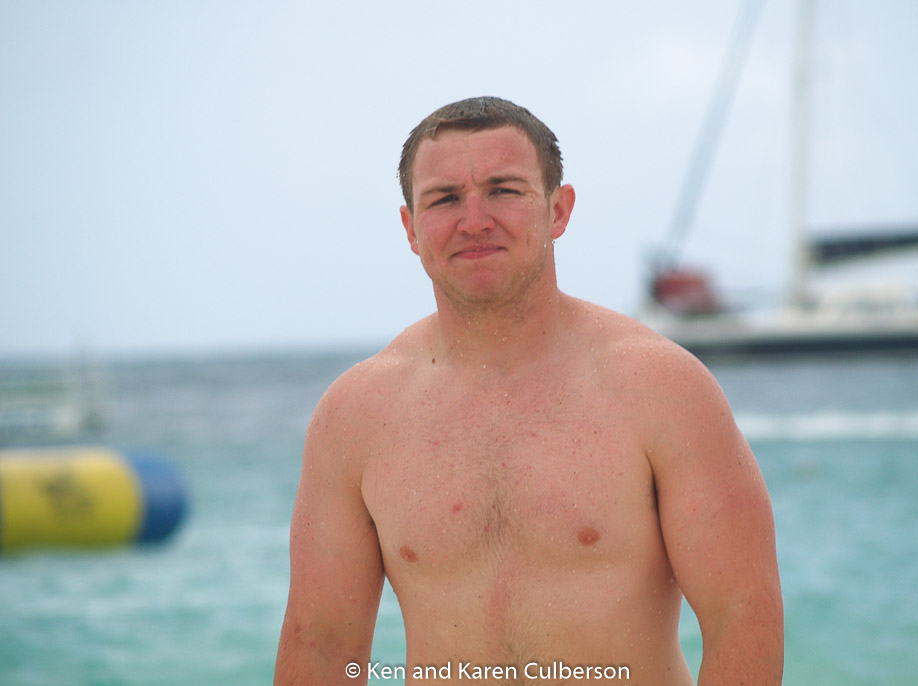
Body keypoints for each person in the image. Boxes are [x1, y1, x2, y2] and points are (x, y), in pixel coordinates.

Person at [274, 96, 783, 685]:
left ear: (558, 211)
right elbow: (323, 645)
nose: (474, 221)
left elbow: (742, 613)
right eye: (444, 199)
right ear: (411, 228)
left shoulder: (661, 389)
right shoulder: (357, 415)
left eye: (503, 190)